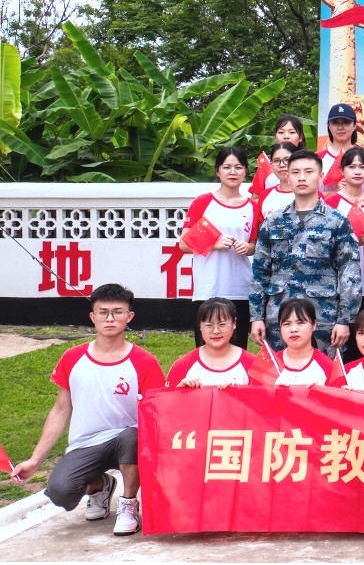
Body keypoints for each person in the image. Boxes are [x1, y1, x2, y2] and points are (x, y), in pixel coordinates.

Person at [12, 284, 164, 537]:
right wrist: (35, 460)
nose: (110, 318)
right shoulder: (73, 358)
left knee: (132, 435)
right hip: (87, 443)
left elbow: (158, 412)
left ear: (129, 316)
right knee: (60, 491)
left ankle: (128, 504)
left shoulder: (144, 361)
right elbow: (61, 410)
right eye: (103, 312)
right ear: (92, 317)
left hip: (128, 441)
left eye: (118, 312)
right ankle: (101, 486)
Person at [250, 150, 362, 352]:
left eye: (308, 172)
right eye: (295, 172)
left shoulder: (337, 221)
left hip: (323, 318)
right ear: (288, 176)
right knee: (280, 370)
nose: (301, 178)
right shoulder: (273, 221)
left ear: (320, 176)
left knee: (323, 371)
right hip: (280, 318)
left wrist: (344, 319)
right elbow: (260, 271)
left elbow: (349, 273)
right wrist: (256, 316)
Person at [179, 147, 260, 349]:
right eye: (227, 167)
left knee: (238, 347)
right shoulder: (203, 202)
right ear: (217, 171)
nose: (232, 172)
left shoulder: (252, 206)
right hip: (208, 287)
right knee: (206, 347)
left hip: (239, 288)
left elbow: (254, 245)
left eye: (238, 167)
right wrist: (214, 244)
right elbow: (184, 243)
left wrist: (247, 248)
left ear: (245, 171)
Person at [323, 147, 364, 341]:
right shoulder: (331, 203)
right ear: (342, 170)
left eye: (362, 167)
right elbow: (325, 243)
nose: (357, 171)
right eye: (352, 166)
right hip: (340, 287)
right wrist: (355, 241)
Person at [167, 298, 254, 388]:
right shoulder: (182, 366)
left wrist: (241, 392)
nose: (216, 331)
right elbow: (165, 395)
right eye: (209, 325)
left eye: (222, 324)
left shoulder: (253, 364)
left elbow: (262, 395)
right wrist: (180, 391)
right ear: (200, 326)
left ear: (234, 323)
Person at [319, 103, 364, 196]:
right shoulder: (317, 159)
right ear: (329, 126)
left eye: (346, 122)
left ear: (354, 125)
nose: (340, 127)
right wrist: (334, 193)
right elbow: (306, 197)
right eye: (335, 123)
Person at [274, 298, 334, 386]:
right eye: (287, 324)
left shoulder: (327, 366)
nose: (293, 329)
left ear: (314, 325)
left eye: (300, 323)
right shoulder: (271, 364)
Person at [257, 142, 299, 218]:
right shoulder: (265, 195)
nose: (282, 165)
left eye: (287, 159)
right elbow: (261, 224)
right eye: (276, 160)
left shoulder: (312, 194)